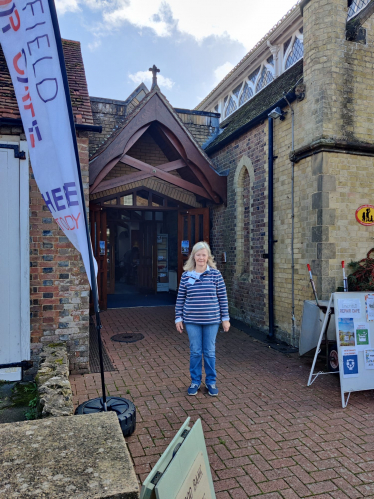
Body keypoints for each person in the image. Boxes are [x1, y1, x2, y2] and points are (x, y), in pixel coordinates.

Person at [175, 241, 230, 397]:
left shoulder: (215, 274)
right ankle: (195, 382)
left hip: (212, 320)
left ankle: (211, 382)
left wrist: (225, 318)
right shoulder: (186, 275)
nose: (201, 257)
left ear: (208, 257)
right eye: (198, 255)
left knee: (210, 352)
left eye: (203, 255)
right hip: (192, 320)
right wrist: (178, 318)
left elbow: (223, 297)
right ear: (193, 256)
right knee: (196, 352)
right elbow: (180, 298)